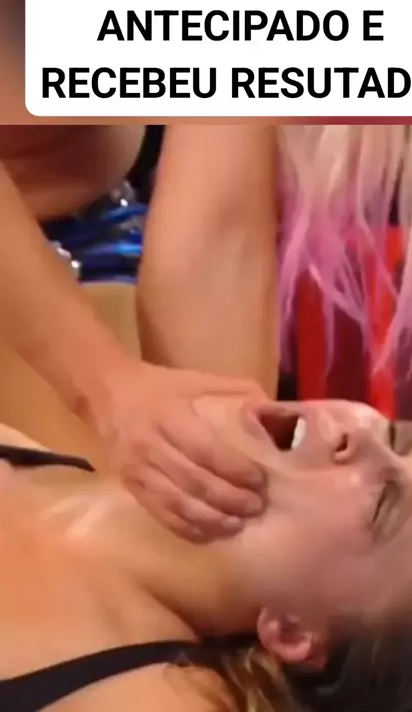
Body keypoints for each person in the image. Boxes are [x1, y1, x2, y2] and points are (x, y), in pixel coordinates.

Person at [0, 398, 412, 712]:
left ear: (293, 631)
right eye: (397, 437)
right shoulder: (55, 423)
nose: (363, 436)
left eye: (383, 505)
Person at [0, 123, 279, 540]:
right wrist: (107, 387)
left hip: (106, 237)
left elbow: (220, 229)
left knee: (185, 523)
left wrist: (222, 460)